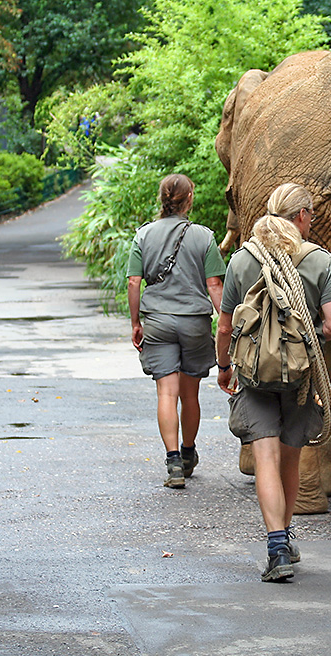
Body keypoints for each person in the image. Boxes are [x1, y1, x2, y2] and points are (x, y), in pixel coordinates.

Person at [215, 183, 331, 582]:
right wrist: (310, 335)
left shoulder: (241, 261)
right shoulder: (319, 262)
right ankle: (285, 536)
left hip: (254, 375)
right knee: (290, 455)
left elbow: (224, 326)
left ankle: (276, 546)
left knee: (266, 458)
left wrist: (223, 366)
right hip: (300, 376)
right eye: (312, 216)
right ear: (303, 216)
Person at [127, 174, 225, 488]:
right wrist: (225, 321)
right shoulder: (204, 237)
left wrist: (135, 323)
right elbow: (214, 285)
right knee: (190, 393)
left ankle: (172, 464)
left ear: (163, 199)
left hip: (157, 321)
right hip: (194, 322)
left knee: (166, 393)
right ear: (189, 199)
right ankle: (188, 453)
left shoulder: (144, 235)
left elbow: (133, 282)